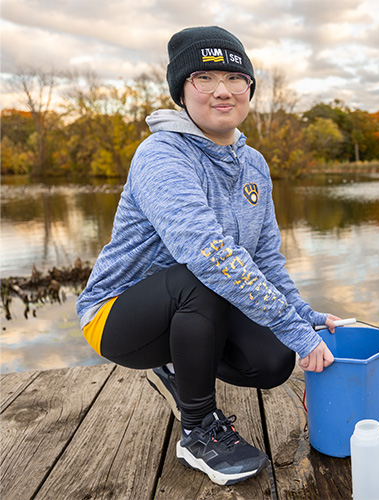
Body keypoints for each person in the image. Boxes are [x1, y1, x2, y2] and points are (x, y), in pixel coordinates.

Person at [76, 26, 337, 486]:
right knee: (205, 274)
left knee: (274, 361)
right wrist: (295, 327)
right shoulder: (161, 155)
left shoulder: (254, 164)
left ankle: (182, 357)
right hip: (117, 315)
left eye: (236, 78)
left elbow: (267, 258)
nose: (223, 90)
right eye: (204, 77)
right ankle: (197, 429)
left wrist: (303, 317)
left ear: (250, 88)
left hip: (194, 302)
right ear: (182, 90)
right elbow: (209, 255)